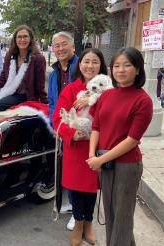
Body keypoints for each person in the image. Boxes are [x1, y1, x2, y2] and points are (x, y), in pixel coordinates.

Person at [87, 47, 153, 246]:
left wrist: (100, 159)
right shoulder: (107, 95)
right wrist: (92, 155)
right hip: (104, 163)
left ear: (138, 69)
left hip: (126, 166)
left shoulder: (143, 100)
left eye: (127, 65)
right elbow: (96, 126)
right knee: (111, 213)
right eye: (116, 66)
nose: (121, 70)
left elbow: (132, 140)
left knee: (122, 219)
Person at [52, 48, 108, 246]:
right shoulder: (71, 89)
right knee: (76, 188)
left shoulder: (108, 90)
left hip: (98, 148)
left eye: (95, 62)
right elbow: (57, 117)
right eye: (86, 61)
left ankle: (88, 223)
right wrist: (70, 134)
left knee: (92, 188)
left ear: (101, 65)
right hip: (75, 148)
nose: (90, 66)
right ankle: (78, 223)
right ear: (80, 64)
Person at [0, 25, 47, 125]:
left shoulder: (38, 59)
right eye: (19, 37)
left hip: (24, 95)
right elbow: (3, 76)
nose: (22, 39)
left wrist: (45, 102)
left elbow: (40, 85)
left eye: (25, 36)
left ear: (30, 39)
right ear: (15, 39)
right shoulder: (11, 55)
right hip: (8, 90)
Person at [47, 31, 79, 230]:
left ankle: (79, 212)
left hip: (79, 126)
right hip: (62, 126)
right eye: (56, 45)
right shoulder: (54, 72)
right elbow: (52, 101)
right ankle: (73, 204)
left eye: (64, 44)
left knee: (79, 170)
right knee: (66, 166)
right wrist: (55, 124)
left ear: (73, 47)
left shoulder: (81, 66)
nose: (60, 48)